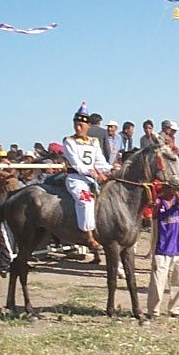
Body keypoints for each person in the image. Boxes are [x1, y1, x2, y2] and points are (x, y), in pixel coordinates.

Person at [63, 102, 112, 248]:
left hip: (92, 178)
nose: (78, 128)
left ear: (88, 126)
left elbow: (100, 161)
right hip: (76, 178)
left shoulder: (94, 142)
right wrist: (93, 173)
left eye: (81, 125)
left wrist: (111, 170)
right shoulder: (69, 141)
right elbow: (76, 163)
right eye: (76, 125)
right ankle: (88, 234)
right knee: (86, 200)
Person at [146, 186, 179, 321]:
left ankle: (176, 309)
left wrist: (176, 194)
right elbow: (155, 215)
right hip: (161, 248)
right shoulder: (158, 202)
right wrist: (160, 199)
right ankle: (153, 310)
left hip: (178, 247)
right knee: (157, 282)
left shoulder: (178, 201)